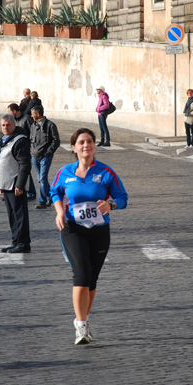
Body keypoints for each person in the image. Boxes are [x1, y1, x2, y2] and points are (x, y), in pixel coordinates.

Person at [50, 128, 128, 345]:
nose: (86, 145)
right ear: (74, 147)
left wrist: (110, 204)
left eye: (90, 141)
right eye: (82, 142)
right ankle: (80, 325)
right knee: (81, 273)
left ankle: (84, 320)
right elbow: (54, 191)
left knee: (92, 279)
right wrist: (59, 211)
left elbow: (123, 198)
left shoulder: (106, 173)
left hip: (99, 231)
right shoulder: (65, 172)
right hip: (73, 228)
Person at [0, 114, 32, 254]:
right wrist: (1, 185)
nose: (5, 127)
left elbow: (24, 164)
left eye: (8, 125)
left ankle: (23, 243)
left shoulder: (20, 141)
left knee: (19, 214)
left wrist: (20, 185)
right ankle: (16, 241)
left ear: (14, 125)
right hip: (7, 184)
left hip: (15, 184)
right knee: (12, 215)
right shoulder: (4, 140)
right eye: (3, 125)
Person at [29, 105, 60, 209]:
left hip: (45, 156)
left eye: (32, 113)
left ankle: (42, 201)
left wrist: (48, 152)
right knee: (41, 179)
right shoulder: (33, 125)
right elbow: (31, 141)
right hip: (35, 156)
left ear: (38, 114)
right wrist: (32, 152)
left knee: (42, 179)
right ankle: (50, 196)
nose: (31, 115)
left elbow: (56, 141)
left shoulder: (50, 125)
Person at [7, 103, 36, 200]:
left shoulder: (27, 119)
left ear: (14, 111)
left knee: (25, 170)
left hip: (26, 147)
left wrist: (31, 147)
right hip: (16, 147)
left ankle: (31, 192)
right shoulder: (13, 120)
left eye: (10, 112)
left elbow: (33, 133)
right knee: (20, 170)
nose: (9, 114)